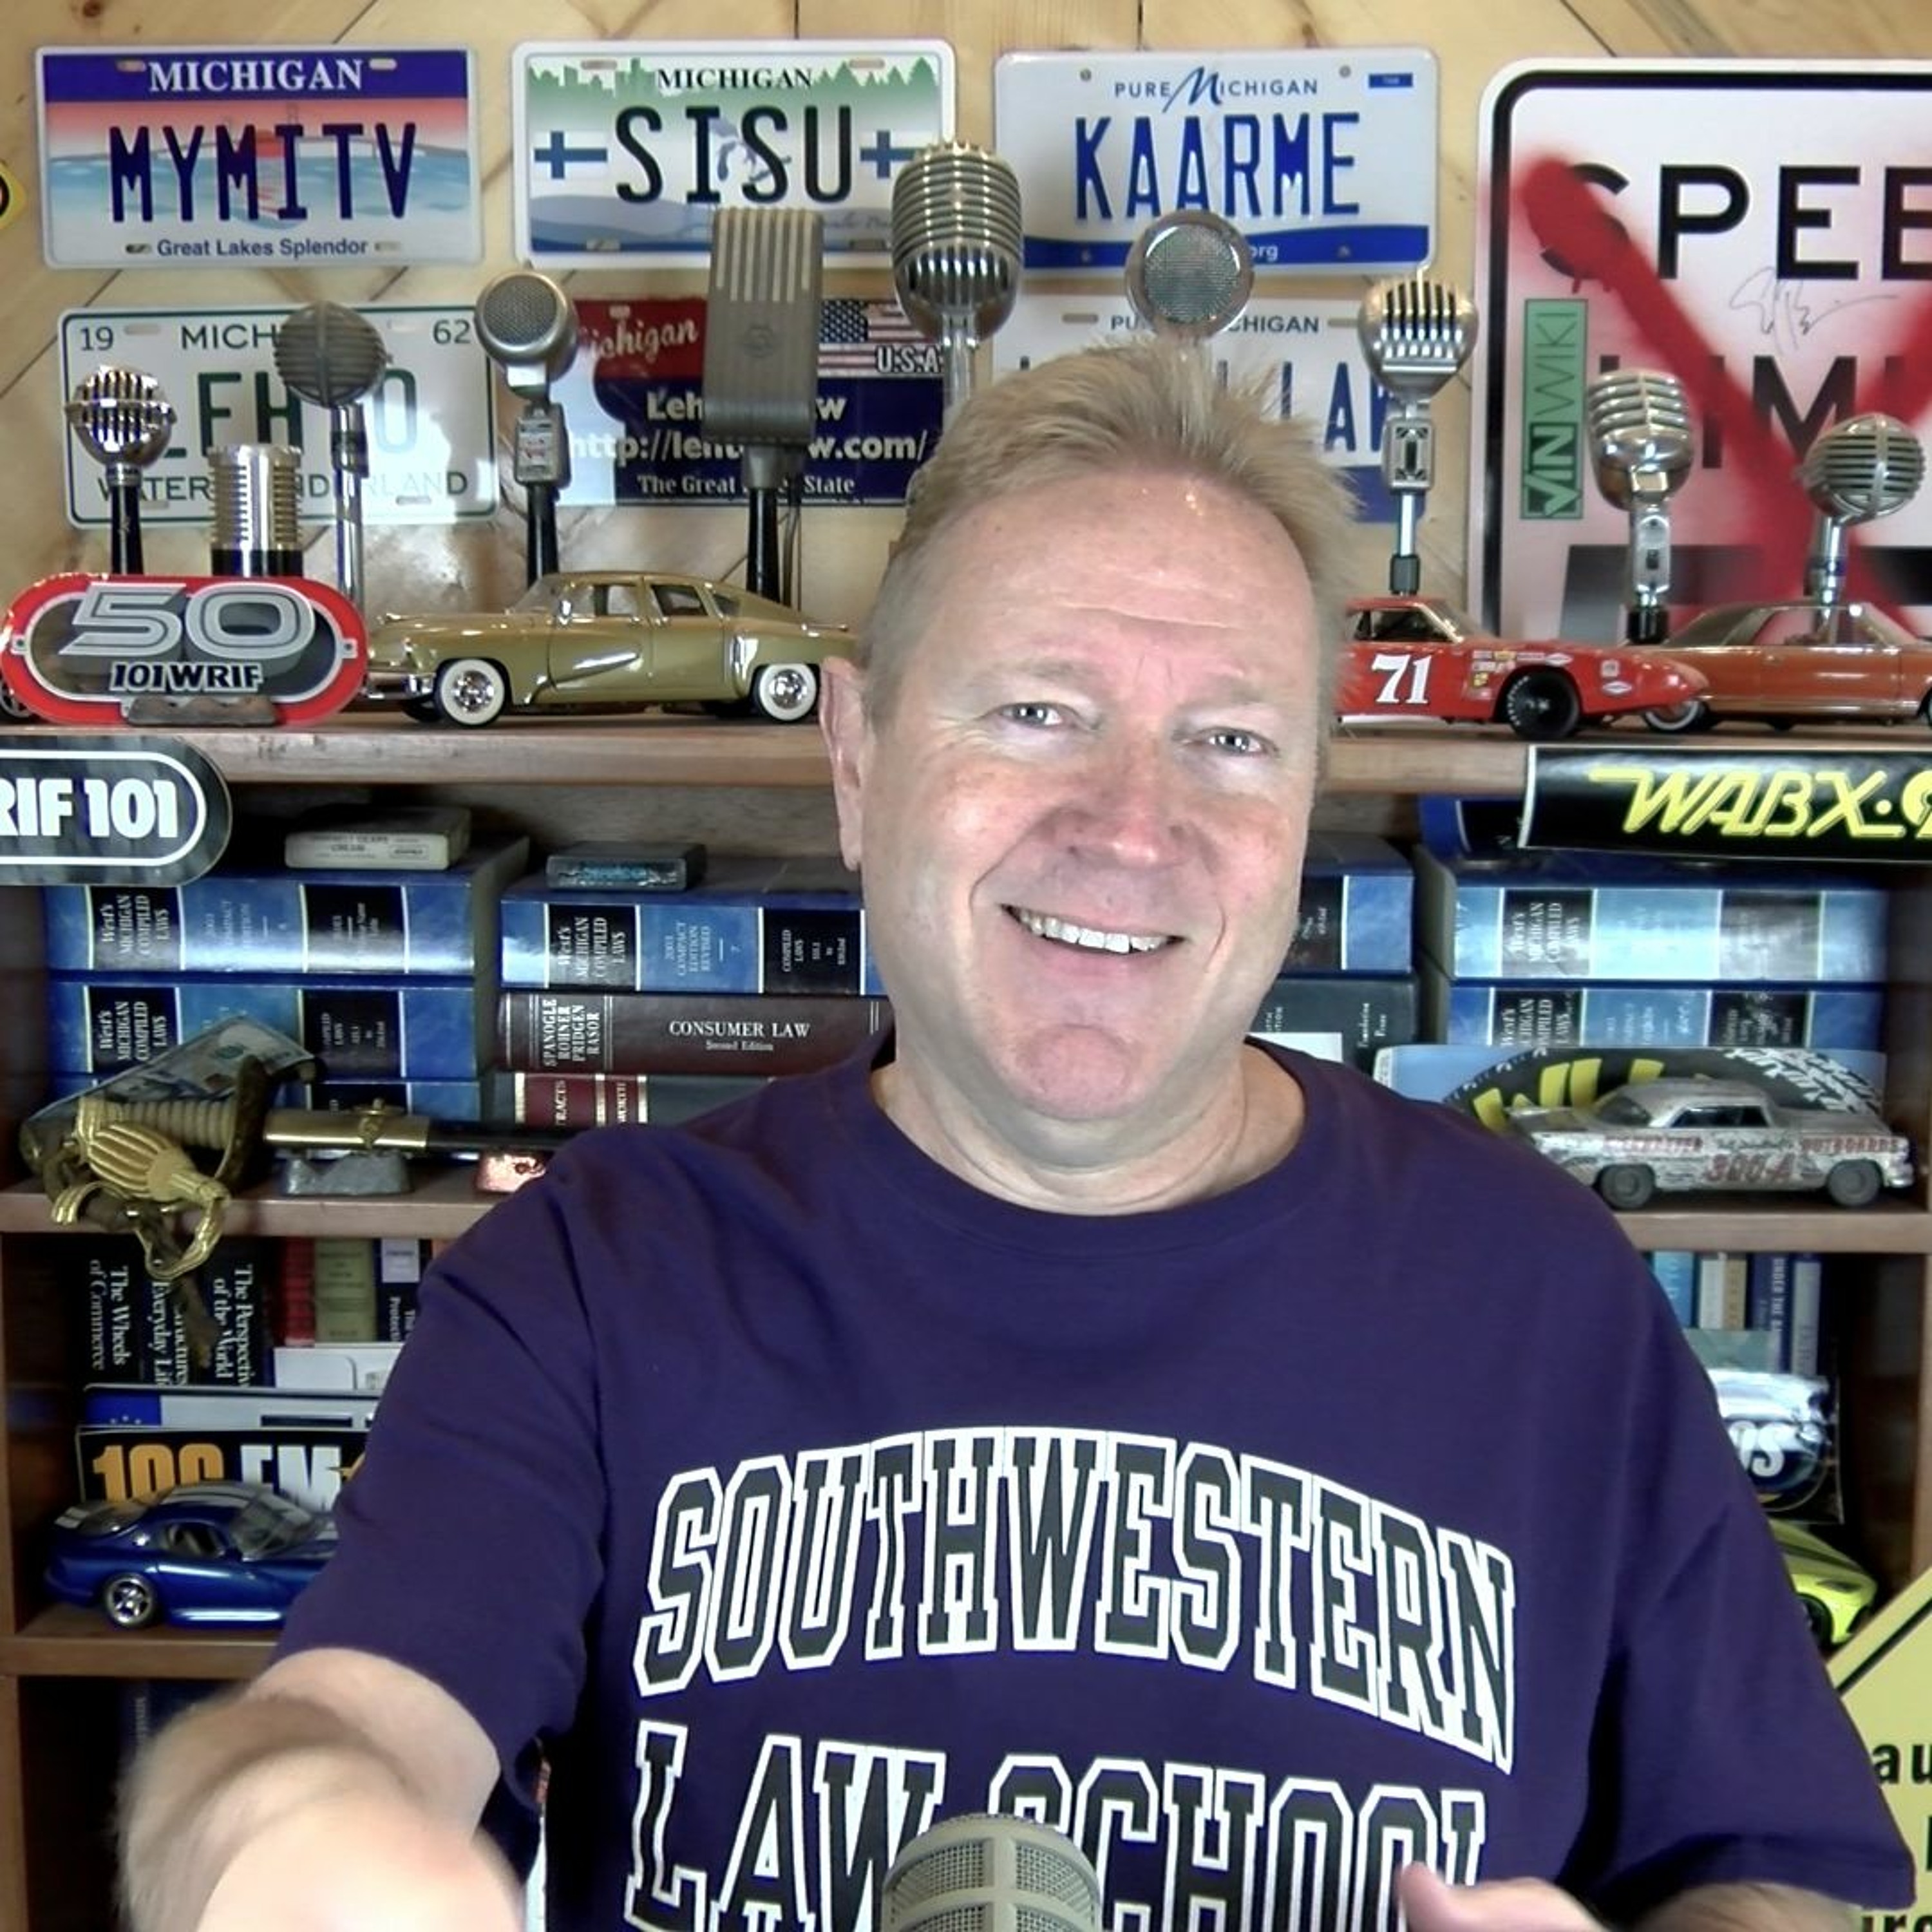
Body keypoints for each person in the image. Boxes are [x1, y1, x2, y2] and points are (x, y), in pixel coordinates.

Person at [121, 340, 1910, 1932]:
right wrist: (291, 1840)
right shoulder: (597, 1272)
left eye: (1228, 739)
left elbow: (1774, 1871)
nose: (1130, 827)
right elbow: (337, 1725)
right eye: (1039, 712)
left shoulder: (1543, 1292)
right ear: (859, 760)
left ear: (1308, 805)